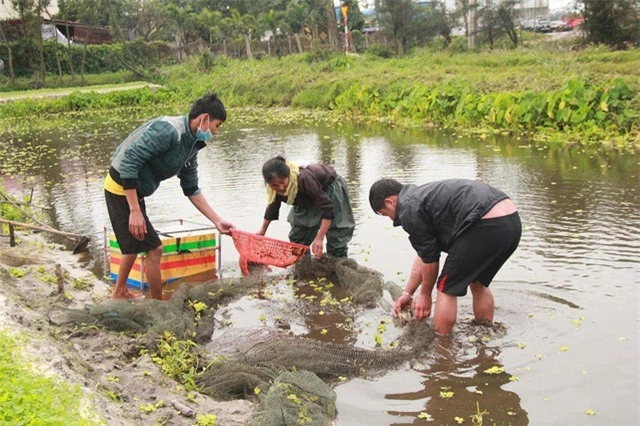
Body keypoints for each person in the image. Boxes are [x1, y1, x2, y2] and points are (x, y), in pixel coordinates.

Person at [104, 92, 235, 300]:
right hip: (120, 187)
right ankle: (158, 306)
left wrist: (217, 221)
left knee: (136, 240)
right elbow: (129, 162)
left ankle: (120, 291)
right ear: (204, 119)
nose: (216, 132)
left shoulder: (192, 145)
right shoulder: (169, 131)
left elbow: (191, 188)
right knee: (154, 250)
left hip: (135, 190)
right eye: (217, 126)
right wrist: (134, 211)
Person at [369, 178, 521, 335]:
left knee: (445, 288)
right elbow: (424, 255)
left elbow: (430, 259)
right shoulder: (421, 197)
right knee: (478, 283)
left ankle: (442, 348)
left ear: (389, 203)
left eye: (385, 214)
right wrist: (408, 293)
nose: (391, 219)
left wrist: (425, 295)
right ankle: (484, 335)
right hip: (511, 222)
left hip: (485, 224)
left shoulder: (408, 209)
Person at [258, 156, 355, 259]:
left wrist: (319, 238)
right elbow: (273, 206)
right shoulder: (274, 189)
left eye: (282, 182)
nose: (280, 188)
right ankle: (304, 266)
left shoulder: (303, 179)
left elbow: (328, 208)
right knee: (298, 236)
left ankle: (336, 261)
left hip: (329, 189)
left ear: (288, 176)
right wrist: (262, 231)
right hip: (305, 195)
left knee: (337, 234)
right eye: (275, 185)